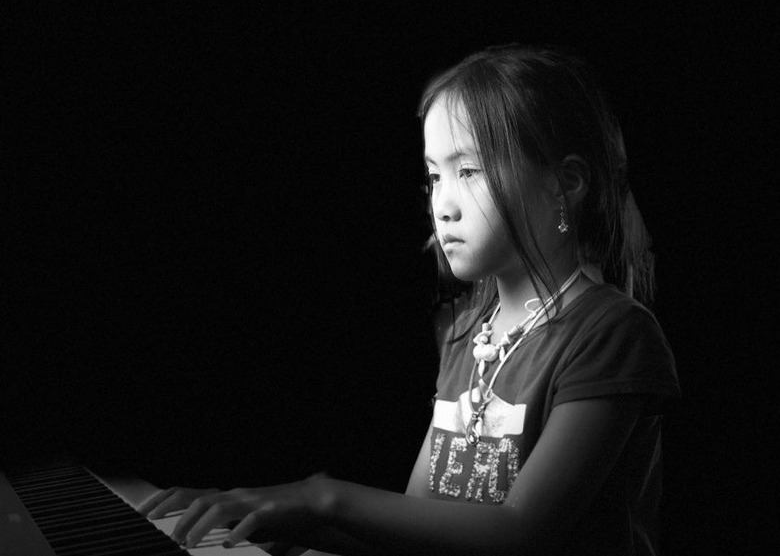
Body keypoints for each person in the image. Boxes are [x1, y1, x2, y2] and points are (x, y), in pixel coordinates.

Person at [138, 45, 680, 556]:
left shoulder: (614, 332)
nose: (442, 205)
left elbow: (521, 534)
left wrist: (322, 496)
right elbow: (420, 527)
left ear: (564, 184)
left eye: (469, 171)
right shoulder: (469, 334)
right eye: (434, 176)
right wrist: (268, 520)